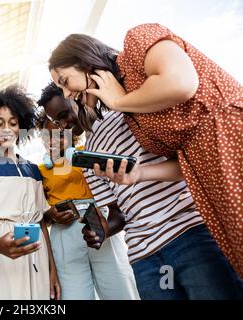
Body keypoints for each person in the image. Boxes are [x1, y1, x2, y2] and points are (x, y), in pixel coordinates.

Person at [48, 24, 243, 277]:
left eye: (65, 81)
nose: (67, 93)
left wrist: (117, 102)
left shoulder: (137, 41)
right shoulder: (135, 116)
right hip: (206, 175)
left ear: (85, 61)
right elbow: (180, 164)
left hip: (229, 141)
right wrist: (138, 173)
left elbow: (182, 83)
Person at [40, 83, 242, 299]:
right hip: (143, 254)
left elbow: (187, 162)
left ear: (77, 97)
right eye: (56, 122)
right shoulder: (87, 156)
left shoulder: (129, 115)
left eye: (63, 115)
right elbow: (116, 212)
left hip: (186, 234)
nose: (62, 127)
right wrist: (102, 231)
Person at [0, 85, 62, 300]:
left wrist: (52, 269)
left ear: (22, 127)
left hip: (34, 251)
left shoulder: (33, 169)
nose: (6, 129)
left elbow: (41, 223)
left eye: (13, 123)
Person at [36, 115, 140, 300]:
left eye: (59, 135)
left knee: (120, 289)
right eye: (47, 136)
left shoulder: (88, 153)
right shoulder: (40, 170)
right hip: (64, 234)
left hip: (99, 222)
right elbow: (41, 215)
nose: (53, 141)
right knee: (74, 295)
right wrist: (52, 214)